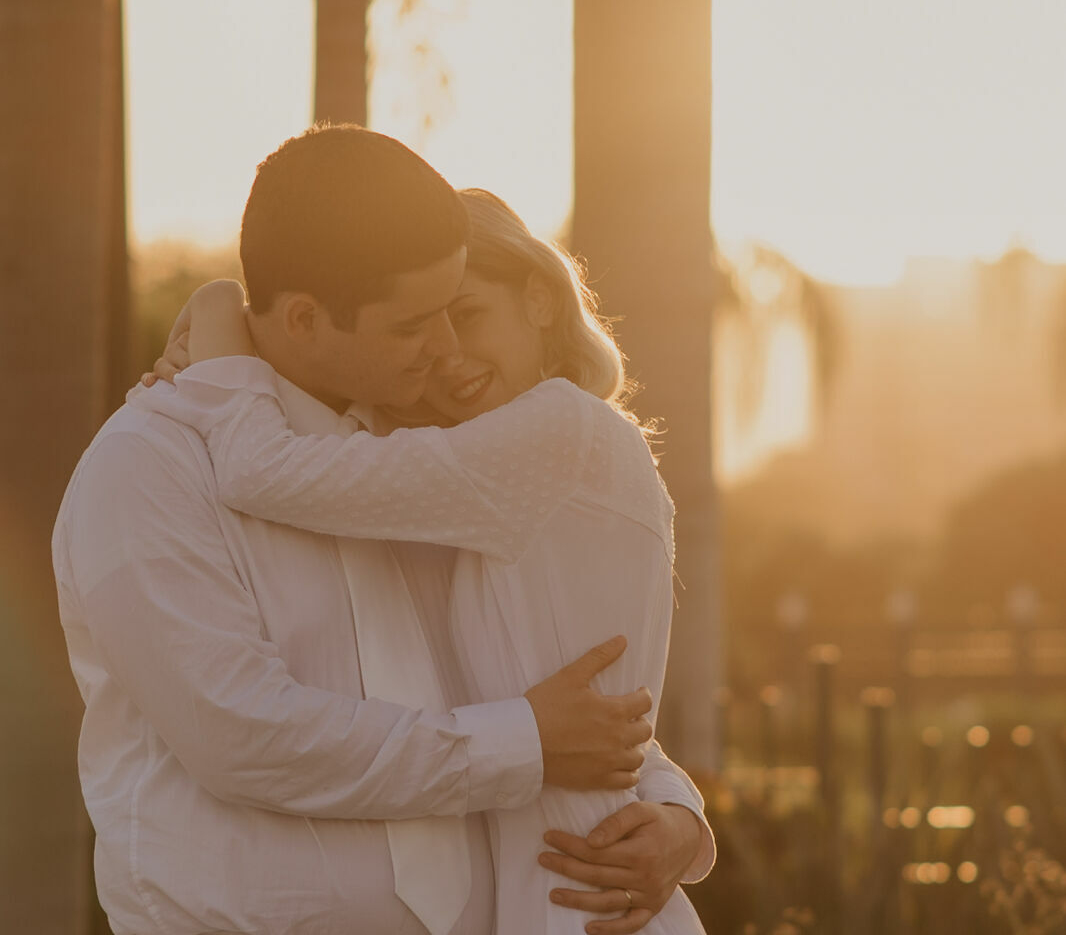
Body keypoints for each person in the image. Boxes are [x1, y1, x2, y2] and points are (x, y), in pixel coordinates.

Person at [52, 126, 712, 935]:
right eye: (414, 325)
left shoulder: (423, 465)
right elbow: (243, 736)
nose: (442, 351)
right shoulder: (151, 466)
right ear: (302, 318)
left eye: (456, 313)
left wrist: (673, 811)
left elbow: (555, 692)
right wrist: (524, 745)